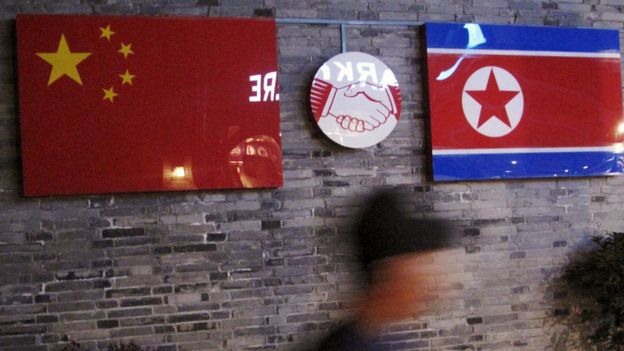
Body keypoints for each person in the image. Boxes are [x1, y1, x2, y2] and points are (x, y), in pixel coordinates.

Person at [311, 189, 457, 351]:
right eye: (425, 265)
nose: (435, 286)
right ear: (388, 273)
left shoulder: (382, 337)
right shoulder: (345, 346)